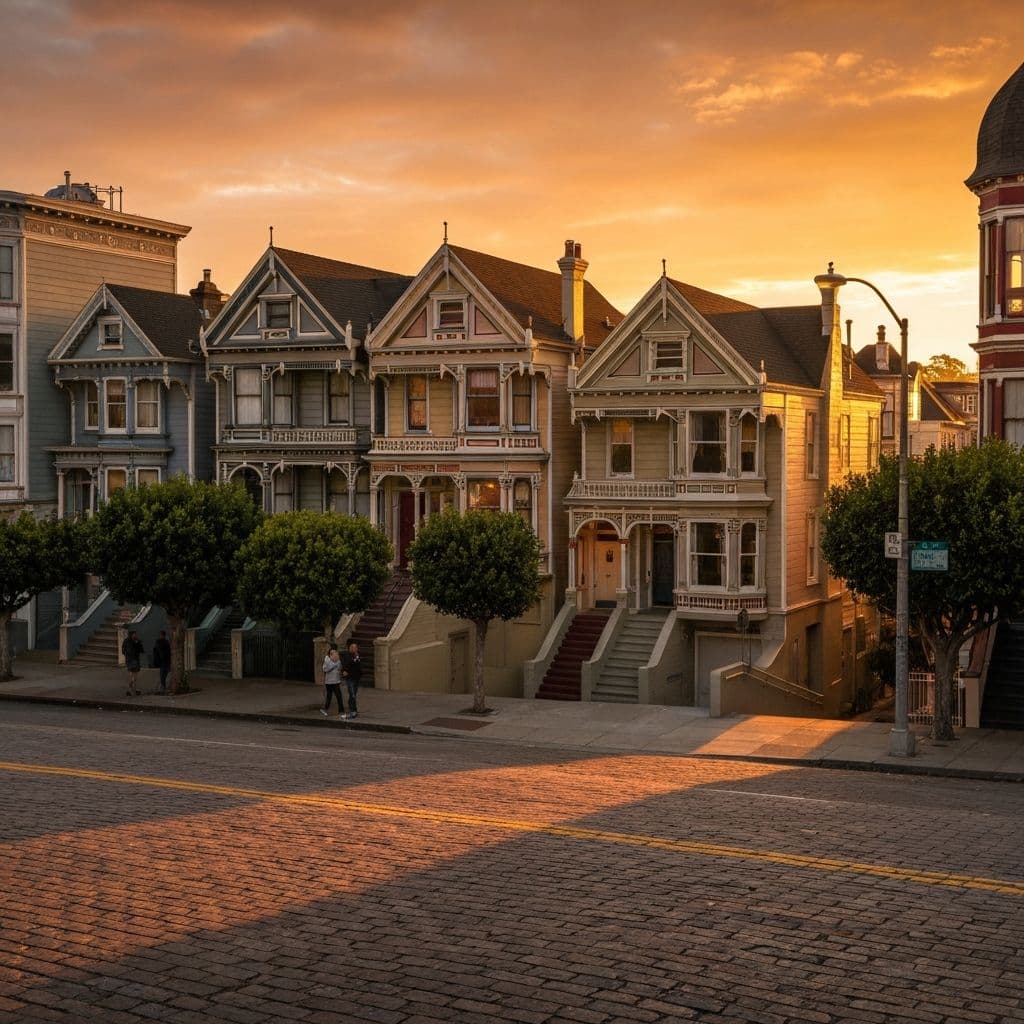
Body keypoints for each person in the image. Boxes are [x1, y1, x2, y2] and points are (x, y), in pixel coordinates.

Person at [321, 643, 344, 718]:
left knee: (339, 696)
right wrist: (334, 663)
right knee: (329, 696)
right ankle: (326, 709)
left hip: (336, 681)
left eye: (335, 652)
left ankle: (341, 710)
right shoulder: (327, 659)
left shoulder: (338, 659)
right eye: (332, 653)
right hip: (329, 681)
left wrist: (337, 663)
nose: (334, 654)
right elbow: (325, 669)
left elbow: (339, 668)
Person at [340, 639, 361, 719]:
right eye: (352, 647)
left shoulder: (357, 656)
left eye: (355, 647)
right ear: (349, 648)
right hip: (350, 678)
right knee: (352, 694)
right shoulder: (347, 655)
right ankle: (353, 710)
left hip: (356, 678)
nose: (354, 649)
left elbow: (358, 666)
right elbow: (346, 664)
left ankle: (353, 709)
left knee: (353, 695)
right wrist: (344, 671)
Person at [122, 630, 144, 697]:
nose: (136, 635)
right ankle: (133, 690)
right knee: (134, 676)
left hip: (129, 659)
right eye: (135, 634)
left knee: (131, 674)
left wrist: (126, 655)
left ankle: (131, 689)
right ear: (132, 635)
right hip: (134, 659)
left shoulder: (125, 641)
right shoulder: (135, 642)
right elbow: (141, 650)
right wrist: (138, 643)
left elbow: (123, 650)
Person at [153, 630, 171, 694]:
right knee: (165, 674)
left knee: (162, 674)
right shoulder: (167, 642)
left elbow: (156, 652)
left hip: (162, 661)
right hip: (166, 660)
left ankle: (162, 688)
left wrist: (156, 660)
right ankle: (163, 687)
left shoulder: (158, 642)